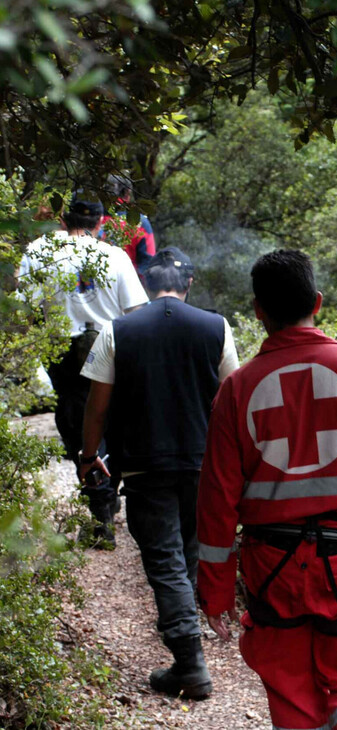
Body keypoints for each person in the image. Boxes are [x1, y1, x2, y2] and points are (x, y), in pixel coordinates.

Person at [197, 249, 337, 729]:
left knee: (292, 690)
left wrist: (215, 591)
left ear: (259, 310)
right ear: (317, 302)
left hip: (270, 569)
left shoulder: (237, 390)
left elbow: (216, 502)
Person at [78, 246, 239, 699]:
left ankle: (189, 662)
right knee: (186, 552)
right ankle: (184, 631)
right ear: (189, 284)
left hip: (145, 464)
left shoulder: (118, 329)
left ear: (147, 286)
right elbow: (232, 398)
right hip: (203, 463)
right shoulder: (216, 327)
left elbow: (97, 405)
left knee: (166, 561)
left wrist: (90, 456)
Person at [18, 195, 149, 546]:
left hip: (63, 350)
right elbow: (137, 313)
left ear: (64, 218)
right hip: (109, 347)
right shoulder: (115, 256)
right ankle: (105, 501)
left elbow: (27, 312)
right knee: (112, 422)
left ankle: (99, 509)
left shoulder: (38, 251)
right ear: (100, 222)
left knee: (78, 425)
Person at [100, 174, 156, 274]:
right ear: (127, 193)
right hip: (130, 284)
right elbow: (148, 264)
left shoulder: (94, 219)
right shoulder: (139, 223)